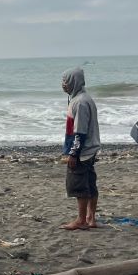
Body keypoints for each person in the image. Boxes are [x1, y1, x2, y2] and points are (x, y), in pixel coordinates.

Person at [60, 68, 101, 230]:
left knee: (79, 185)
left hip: (83, 151)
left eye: (65, 81)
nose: (63, 84)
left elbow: (80, 132)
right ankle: (91, 218)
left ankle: (81, 220)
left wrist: (73, 154)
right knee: (90, 183)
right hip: (89, 149)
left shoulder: (80, 102)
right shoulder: (83, 98)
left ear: (74, 81)